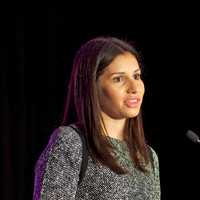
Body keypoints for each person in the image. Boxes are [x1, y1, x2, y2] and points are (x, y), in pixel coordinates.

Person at [33, 36, 161, 199]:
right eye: (119, 79)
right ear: (92, 87)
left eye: (136, 76)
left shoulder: (149, 157)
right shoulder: (70, 142)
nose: (134, 87)